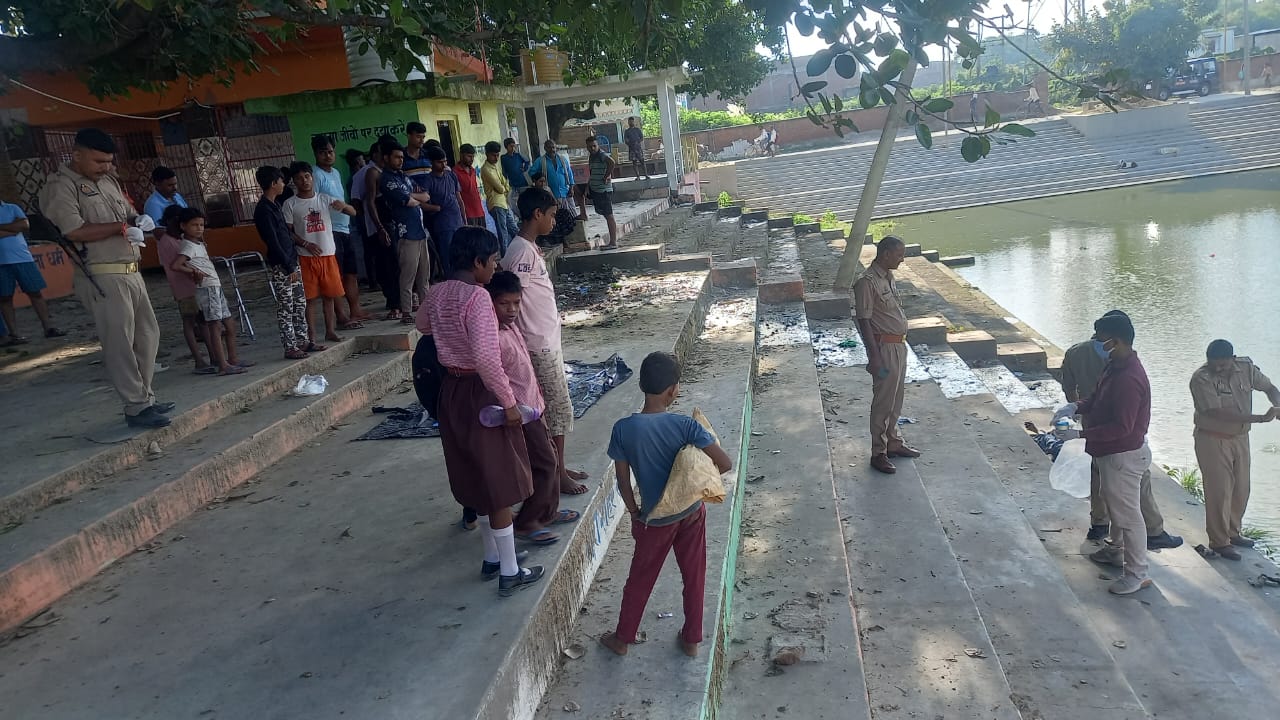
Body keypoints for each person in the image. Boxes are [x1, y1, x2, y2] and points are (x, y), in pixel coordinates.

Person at [422, 226, 544, 596]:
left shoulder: (437, 291)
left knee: (477, 476)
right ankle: (510, 571)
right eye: (492, 261)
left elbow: (422, 324)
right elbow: (488, 360)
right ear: (477, 263)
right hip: (481, 392)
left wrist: (449, 331)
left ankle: (493, 557)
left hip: (452, 391)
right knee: (499, 480)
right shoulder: (477, 297)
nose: (494, 268)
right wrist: (509, 403)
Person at [598, 351, 734, 658]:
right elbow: (724, 464)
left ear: (642, 386)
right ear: (673, 390)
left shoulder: (623, 429)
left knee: (640, 579)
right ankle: (692, 640)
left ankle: (622, 639)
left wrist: (635, 513)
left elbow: (623, 481)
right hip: (690, 512)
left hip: (654, 519)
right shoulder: (686, 426)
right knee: (694, 575)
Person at [39, 128, 172, 428]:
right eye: (99, 161)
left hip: (131, 269)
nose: (106, 167)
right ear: (77, 155)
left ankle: (146, 397)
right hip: (102, 273)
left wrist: (138, 220)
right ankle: (136, 406)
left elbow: (126, 213)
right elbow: (73, 230)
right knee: (120, 343)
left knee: (148, 336)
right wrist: (121, 228)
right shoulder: (61, 187)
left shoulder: (108, 181)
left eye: (109, 161)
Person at [1061, 312, 1181, 548]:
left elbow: (1070, 388)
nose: (1100, 344)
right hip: (1120, 438)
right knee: (1134, 489)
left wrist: (1075, 409)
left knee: (1103, 480)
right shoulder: (1121, 367)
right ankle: (1149, 533)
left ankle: (1101, 526)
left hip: (1097, 426)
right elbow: (1124, 425)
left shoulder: (1079, 354)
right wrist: (1076, 413)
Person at [1055, 312, 1155, 595]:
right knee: (1115, 506)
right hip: (1111, 452)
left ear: (1117, 341)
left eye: (1101, 340)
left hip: (1124, 455)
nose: (1098, 345)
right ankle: (1115, 550)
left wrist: (1080, 435)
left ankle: (1137, 573)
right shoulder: (1114, 366)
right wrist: (1075, 407)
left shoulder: (1129, 379)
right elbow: (1097, 398)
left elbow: (1122, 427)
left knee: (1128, 516)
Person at [504, 187, 592, 494]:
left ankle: (558, 466)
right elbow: (513, 296)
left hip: (545, 339)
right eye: (551, 215)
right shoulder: (521, 252)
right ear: (537, 214)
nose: (553, 221)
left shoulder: (528, 248)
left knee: (554, 408)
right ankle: (557, 474)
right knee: (557, 409)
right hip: (537, 342)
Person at [487, 269, 577, 543]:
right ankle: (527, 521)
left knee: (549, 455)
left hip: (533, 406)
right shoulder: (493, 335)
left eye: (516, 303)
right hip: (519, 411)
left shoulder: (511, 328)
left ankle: (547, 512)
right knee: (545, 462)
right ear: (491, 303)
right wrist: (511, 405)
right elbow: (497, 375)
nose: (512, 310)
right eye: (504, 303)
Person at [1190, 339, 1280, 561]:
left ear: (1232, 358)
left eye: (1223, 364)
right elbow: (1218, 413)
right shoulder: (1201, 378)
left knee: (1241, 488)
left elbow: (1269, 388)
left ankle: (1233, 532)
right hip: (1212, 439)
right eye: (1214, 364)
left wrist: (1278, 404)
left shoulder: (1245, 368)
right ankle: (1219, 542)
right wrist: (1261, 418)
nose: (1218, 368)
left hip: (1240, 438)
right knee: (1219, 491)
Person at [852, 236, 920, 474]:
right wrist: (874, 357)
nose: (902, 259)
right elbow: (864, 321)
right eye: (899, 255)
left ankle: (893, 442)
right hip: (884, 349)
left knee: (895, 399)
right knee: (883, 402)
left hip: (898, 346)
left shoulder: (888, 277)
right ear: (886, 254)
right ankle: (878, 452)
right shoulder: (867, 283)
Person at [283, 161, 357, 346]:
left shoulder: (324, 199)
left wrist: (343, 206)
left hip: (328, 254)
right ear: (294, 182)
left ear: (312, 178)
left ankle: (330, 331)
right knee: (309, 299)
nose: (304, 181)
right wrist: (305, 243)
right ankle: (312, 335)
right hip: (306, 257)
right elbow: (287, 232)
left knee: (329, 296)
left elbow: (353, 212)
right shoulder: (290, 204)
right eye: (299, 178)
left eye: (307, 176)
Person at [168, 207, 248, 376]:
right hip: (206, 288)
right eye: (194, 225)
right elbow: (176, 265)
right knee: (215, 325)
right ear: (183, 226)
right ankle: (223, 364)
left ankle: (232, 358)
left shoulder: (198, 244)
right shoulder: (188, 246)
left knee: (229, 323)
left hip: (214, 286)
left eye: (201, 225)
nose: (199, 228)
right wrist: (194, 272)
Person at [252, 166, 311, 359]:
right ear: (273, 183)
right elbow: (273, 241)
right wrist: (288, 265)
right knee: (286, 307)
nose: (283, 184)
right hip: (282, 264)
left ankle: (303, 340)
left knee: (299, 303)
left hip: (291, 260)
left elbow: (285, 234)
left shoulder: (275, 204)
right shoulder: (263, 210)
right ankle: (290, 346)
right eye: (281, 181)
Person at [311, 135, 369, 329]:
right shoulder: (315, 175)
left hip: (345, 227)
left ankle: (355, 310)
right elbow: (313, 203)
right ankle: (341, 315)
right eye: (323, 152)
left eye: (330, 152)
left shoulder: (335, 173)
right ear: (316, 154)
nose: (328, 156)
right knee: (336, 274)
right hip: (330, 231)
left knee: (351, 272)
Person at [377, 141, 433, 322]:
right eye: (396, 157)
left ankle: (426, 310)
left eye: (402, 157)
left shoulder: (404, 177)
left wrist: (411, 196)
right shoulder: (386, 179)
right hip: (406, 234)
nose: (400, 160)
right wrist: (412, 197)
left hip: (420, 231)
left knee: (424, 275)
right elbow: (407, 201)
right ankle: (407, 311)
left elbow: (426, 196)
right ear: (386, 158)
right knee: (408, 275)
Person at [155, 206, 211, 373]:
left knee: (202, 320)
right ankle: (199, 360)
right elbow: (177, 265)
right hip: (183, 286)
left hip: (193, 284)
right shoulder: (167, 241)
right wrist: (194, 271)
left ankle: (212, 355)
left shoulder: (179, 239)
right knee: (190, 321)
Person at [0, 199, 65, 343]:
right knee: (5, 298)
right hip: (1, 262)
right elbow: (18, 227)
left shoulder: (12, 207)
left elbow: (24, 225)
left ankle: (48, 327)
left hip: (22, 257)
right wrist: (12, 228)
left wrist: (5, 229)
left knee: (35, 293)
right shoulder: (13, 212)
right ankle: (14, 334)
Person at [421, 146, 465, 279]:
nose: (443, 164)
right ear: (431, 162)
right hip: (443, 225)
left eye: (445, 161)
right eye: (439, 162)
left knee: (462, 257)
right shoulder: (428, 180)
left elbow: (459, 198)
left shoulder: (451, 175)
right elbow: (421, 203)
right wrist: (435, 208)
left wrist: (464, 218)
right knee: (447, 258)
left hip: (458, 222)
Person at [482, 141, 519, 253]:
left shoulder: (495, 166)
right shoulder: (486, 169)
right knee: (503, 232)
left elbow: (506, 184)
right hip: (495, 204)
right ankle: (505, 256)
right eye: (494, 155)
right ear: (487, 154)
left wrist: (504, 187)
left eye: (498, 155)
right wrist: (504, 187)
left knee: (514, 229)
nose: (496, 158)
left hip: (504, 203)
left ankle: (519, 251)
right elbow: (500, 188)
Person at [585, 136, 619, 249]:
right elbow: (592, 172)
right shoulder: (592, 156)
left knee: (609, 215)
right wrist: (588, 186)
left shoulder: (601, 154)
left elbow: (612, 162)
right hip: (596, 189)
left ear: (598, 145)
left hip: (603, 190)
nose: (592, 148)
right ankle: (612, 241)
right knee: (605, 214)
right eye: (590, 147)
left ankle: (613, 242)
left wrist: (606, 176)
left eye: (594, 146)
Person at [529, 139, 575, 212]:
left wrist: (571, 188)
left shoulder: (562, 159)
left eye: (553, 147)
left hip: (566, 192)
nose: (552, 150)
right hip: (552, 195)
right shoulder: (540, 161)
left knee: (572, 214)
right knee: (556, 215)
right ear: (545, 148)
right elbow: (531, 173)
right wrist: (539, 184)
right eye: (549, 147)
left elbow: (570, 173)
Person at [455, 144, 486, 228]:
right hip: (467, 214)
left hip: (479, 211)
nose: (472, 159)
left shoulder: (473, 170)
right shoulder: (454, 172)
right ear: (461, 155)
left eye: (473, 156)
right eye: (469, 156)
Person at [501, 138, 531, 208]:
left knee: (526, 201)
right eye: (511, 146)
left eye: (514, 146)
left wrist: (524, 168)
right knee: (514, 203)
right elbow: (504, 171)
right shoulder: (503, 158)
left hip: (523, 182)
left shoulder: (518, 155)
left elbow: (527, 161)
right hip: (513, 184)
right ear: (506, 147)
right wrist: (505, 182)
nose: (513, 148)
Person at [401, 121, 431, 189]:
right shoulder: (401, 156)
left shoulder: (428, 155)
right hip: (410, 194)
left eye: (423, 137)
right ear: (409, 136)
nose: (422, 140)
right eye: (418, 137)